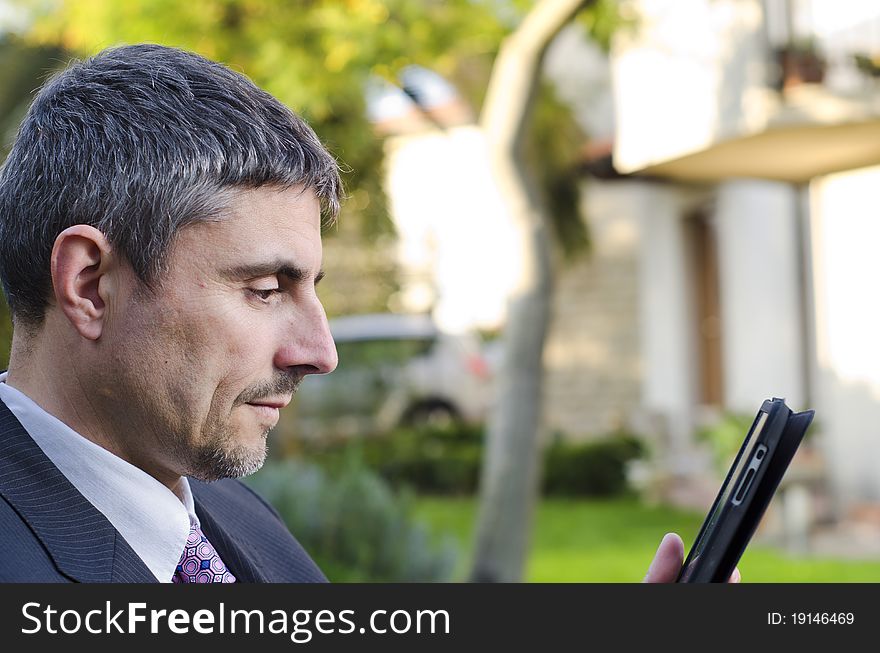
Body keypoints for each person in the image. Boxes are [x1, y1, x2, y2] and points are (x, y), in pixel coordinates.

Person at [0, 44, 717, 583]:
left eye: (312, 285)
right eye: (266, 289)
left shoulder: (233, 521)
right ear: (90, 284)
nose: (320, 350)